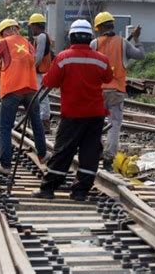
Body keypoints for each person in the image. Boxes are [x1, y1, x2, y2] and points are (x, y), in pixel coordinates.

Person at [32, 19, 113, 201]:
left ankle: (48, 188)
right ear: (89, 37)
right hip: (95, 115)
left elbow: (49, 82)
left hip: (73, 114)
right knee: (90, 153)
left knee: (63, 151)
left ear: (72, 37)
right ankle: (80, 192)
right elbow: (109, 77)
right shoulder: (102, 60)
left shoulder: (64, 57)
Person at [0, 19, 50, 175]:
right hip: (30, 88)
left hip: (12, 89)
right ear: (16, 29)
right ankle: (43, 155)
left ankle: (5, 164)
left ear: (4, 32)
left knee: (5, 126)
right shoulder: (27, 42)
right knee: (36, 122)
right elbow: (34, 60)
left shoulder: (4, 43)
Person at [91, 12, 145, 171]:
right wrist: (136, 39)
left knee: (94, 123)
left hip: (97, 91)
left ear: (99, 28)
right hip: (117, 90)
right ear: (112, 25)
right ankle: (108, 158)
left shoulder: (94, 44)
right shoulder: (123, 43)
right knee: (114, 124)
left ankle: (95, 151)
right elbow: (140, 55)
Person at [28, 13, 52, 134]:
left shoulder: (42, 37)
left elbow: (38, 56)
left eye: (32, 26)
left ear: (36, 26)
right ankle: (43, 122)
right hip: (41, 72)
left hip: (41, 72)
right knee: (41, 97)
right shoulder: (41, 37)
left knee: (42, 97)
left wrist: (31, 68)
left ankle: (44, 123)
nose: (31, 29)